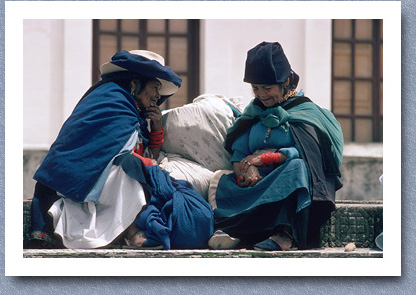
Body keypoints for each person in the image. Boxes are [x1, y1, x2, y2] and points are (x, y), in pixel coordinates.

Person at [30, 50, 213, 250]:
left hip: (106, 178)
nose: (158, 96)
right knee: (134, 168)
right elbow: (115, 153)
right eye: (155, 87)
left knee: (144, 172)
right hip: (83, 176)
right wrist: (148, 165)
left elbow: (149, 155)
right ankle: (132, 231)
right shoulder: (111, 99)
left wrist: (157, 128)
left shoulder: (134, 113)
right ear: (135, 83)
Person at [208, 41, 343, 251]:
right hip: (258, 184)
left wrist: (267, 158)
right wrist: (246, 170)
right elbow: (239, 154)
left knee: (298, 167)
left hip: (288, 184)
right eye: (256, 88)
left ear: (286, 82)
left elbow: (312, 155)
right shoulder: (254, 113)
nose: (261, 95)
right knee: (221, 181)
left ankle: (285, 233)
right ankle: (236, 229)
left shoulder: (306, 113)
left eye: (267, 88)